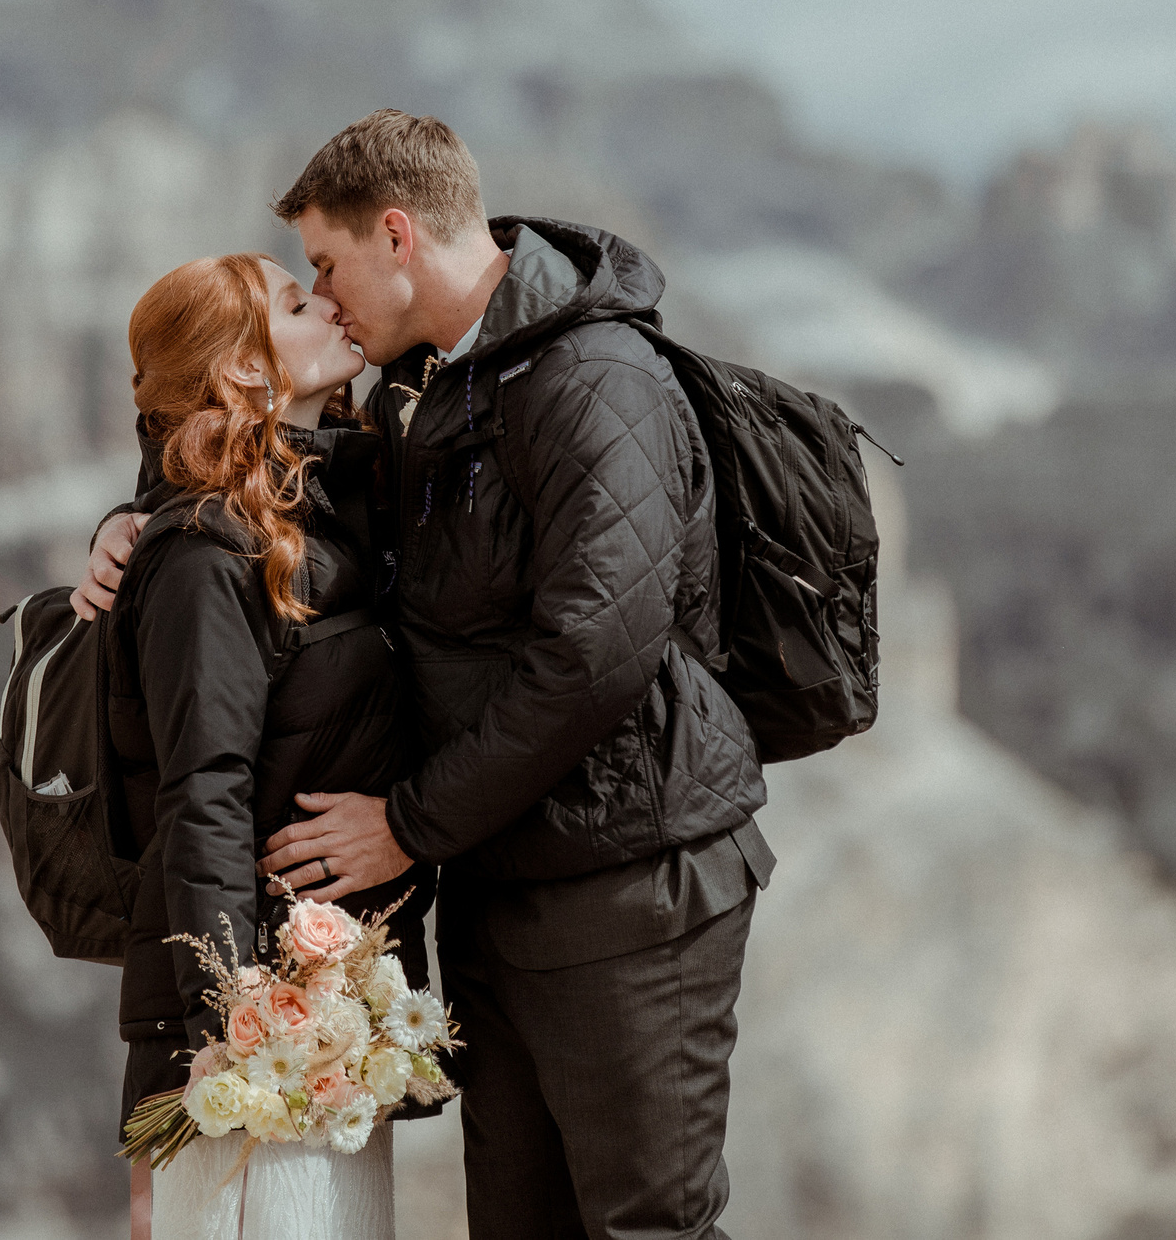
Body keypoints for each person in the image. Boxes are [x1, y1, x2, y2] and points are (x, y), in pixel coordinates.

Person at [84, 112, 772, 1240]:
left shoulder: (592, 379)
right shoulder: (422, 382)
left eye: (325, 267)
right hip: (499, 877)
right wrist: (138, 518)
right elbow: (249, 457)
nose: (325, 295)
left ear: (396, 235)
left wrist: (406, 825)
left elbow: (592, 652)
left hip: (631, 873)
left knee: (645, 1223)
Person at [106, 250, 436, 1240]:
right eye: (298, 302)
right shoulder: (208, 552)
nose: (327, 304)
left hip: (329, 1004)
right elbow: (202, 788)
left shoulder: (318, 503)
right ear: (247, 371)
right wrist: (229, 1022)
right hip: (258, 1023)